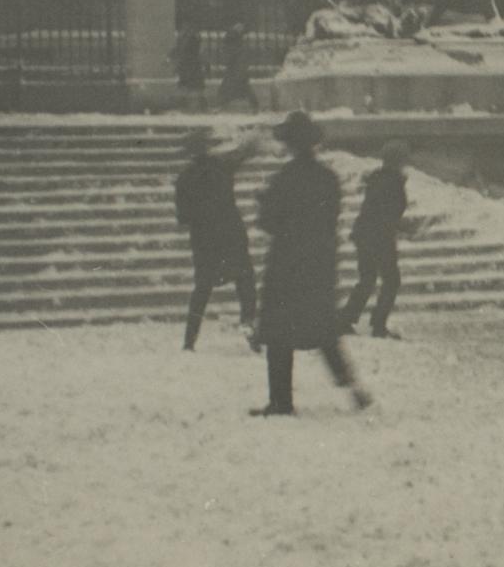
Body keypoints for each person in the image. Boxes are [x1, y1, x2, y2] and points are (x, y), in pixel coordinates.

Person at [250, 111, 372, 416]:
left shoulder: (284, 179)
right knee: (323, 332)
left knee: (279, 335)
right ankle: (353, 388)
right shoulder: (328, 179)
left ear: (290, 144)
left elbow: (269, 222)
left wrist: (264, 203)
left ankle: (280, 401)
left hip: (287, 263)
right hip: (319, 262)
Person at [175, 128, 260, 351]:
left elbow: (182, 217)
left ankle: (189, 340)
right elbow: (243, 153)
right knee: (245, 280)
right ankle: (248, 324)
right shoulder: (221, 167)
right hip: (231, 235)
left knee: (201, 290)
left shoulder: (184, 178)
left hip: (204, 240)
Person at [341, 140, 409, 339]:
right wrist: (403, 227)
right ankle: (378, 325)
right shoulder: (392, 182)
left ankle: (346, 320)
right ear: (398, 161)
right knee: (391, 280)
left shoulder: (379, 179)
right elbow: (386, 213)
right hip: (379, 237)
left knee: (367, 279)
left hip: (366, 234)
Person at [218, 23, 259, 111]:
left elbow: (230, 53)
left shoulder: (231, 38)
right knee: (242, 87)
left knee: (227, 87)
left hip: (236, 68)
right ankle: (254, 106)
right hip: (238, 67)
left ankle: (222, 106)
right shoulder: (235, 39)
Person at [171, 23, 206, 110]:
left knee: (187, 85)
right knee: (193, 86)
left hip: (188, 66)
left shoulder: (185, 38)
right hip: (192, 66)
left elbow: (179, 49)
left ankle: (186, 104)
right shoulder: (191, 38)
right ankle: (193, 105)